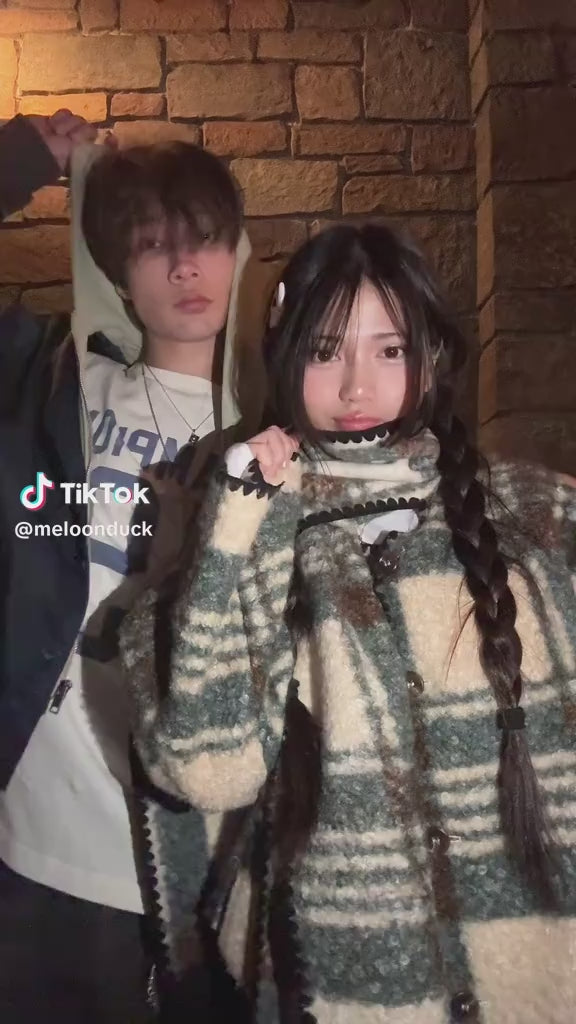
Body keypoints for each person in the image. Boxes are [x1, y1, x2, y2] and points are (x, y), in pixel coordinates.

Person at [119, 223, 576, 1023]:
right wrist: (239, 525)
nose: (358, 386)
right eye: (326, 350)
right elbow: (210, 773)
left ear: (433, 355)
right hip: (346, 979)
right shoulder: (244, 525)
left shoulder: (539, 513)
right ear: (284, 357)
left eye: (390, 350)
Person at [0, 109, 266, 1022]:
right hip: (32, 848)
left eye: (204, 239)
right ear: (119, 269)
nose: (185, 267)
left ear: (238, 251)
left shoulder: (280, 428)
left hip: (205, 871)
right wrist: (21, 158)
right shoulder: (49, 384)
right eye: (154, 245)